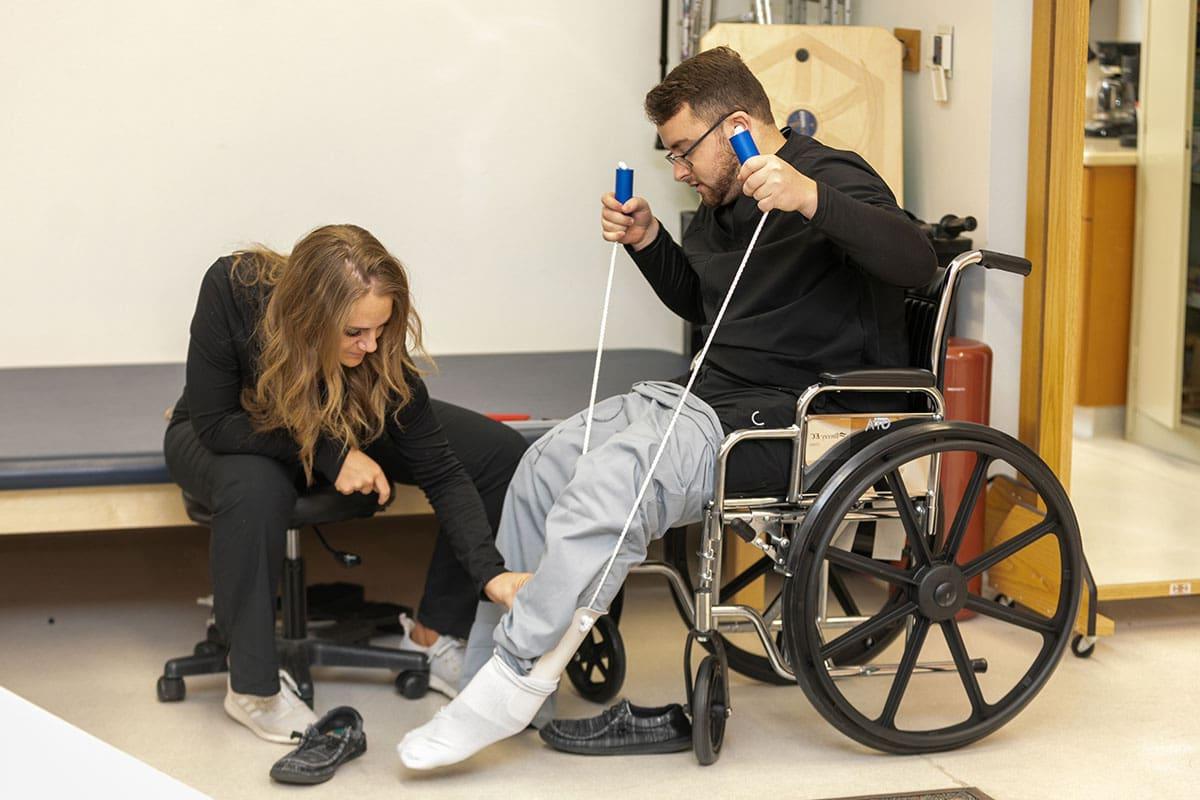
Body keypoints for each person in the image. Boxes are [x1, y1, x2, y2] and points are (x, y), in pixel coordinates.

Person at [398, 46, 937, 769]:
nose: (678, 170)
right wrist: (650, 242)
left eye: (684, 151)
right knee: (543, 466)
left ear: (738, 125)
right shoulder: (721, 206)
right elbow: (709, 308)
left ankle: (513, 680)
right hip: (703, 400)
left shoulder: (830, 175)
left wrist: (811, 198)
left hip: (797, 419)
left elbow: (917, 262)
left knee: (611, 488)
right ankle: (498, 678)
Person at [164, 224, 531, 743]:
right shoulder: (234, 285)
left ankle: (433, 632)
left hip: (336, 417)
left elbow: (444, 472)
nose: (373, 344)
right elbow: (216, 422)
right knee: (257, 485)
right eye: (356, 332)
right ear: (309, 318)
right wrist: (333, 456)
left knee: (497, 454)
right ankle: (252, 688)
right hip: (231, 430)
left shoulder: (370, 355)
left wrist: (492, 575)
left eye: (381, 329)